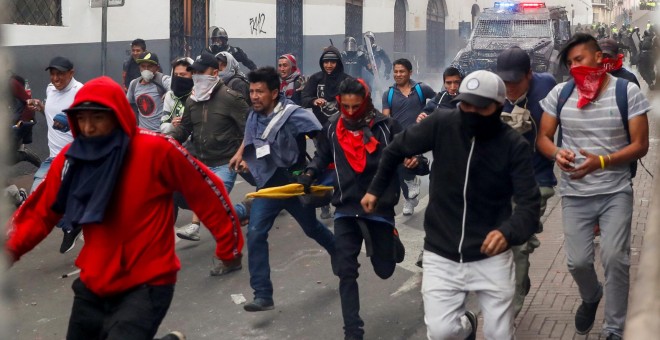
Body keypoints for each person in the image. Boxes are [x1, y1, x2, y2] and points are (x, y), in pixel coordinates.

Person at [5, 76, 243, 340]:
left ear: (117, 116)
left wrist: (228, 246)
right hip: (93, 282)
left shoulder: (157, 150)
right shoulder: (71, 161)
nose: (89, 127)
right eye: (81, 119)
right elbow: (39, 213)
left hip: (147, 281)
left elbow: (206, 192)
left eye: (97, 118)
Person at [362, 70, 540, 340]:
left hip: (490, 257)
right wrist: (375, 190)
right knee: (443, 332)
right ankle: (466, 325)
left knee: (499, 334)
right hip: (441, 251)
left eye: (479, 107)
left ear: (497, 106)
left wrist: (508, 232)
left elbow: (529, 205)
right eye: (466, 104)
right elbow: (395, 149)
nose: (469, 111)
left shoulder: (513, 145)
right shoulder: (442, 123)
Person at [537, 33, 650, 340]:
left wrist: (601, 162)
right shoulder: (560, 94)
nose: (574, 67)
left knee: (616, 258)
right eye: (570, 63)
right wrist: (556, 152)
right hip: (574, 194)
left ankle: (614, 328)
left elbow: (640, 146)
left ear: (599, 57)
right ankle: (591, 295)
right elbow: (543, 137)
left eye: (580, 59)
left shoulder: (627, 92)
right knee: (577, 262)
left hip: (615, 191)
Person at [299, 78, 408, 340]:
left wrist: (415, 163)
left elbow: (406, 152)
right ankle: (352, 331)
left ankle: (391, 241)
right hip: (345, 207)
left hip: (379, 208)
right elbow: (322, 155)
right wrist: (311, 172)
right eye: (344, 106)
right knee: (345, 270)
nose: (349, 112)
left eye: (355, 107)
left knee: (385, 270)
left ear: (366, 102)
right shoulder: (331, 128)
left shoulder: (387, 127)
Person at [228, 66, 336, 312]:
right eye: (252, 91)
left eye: (260, 92)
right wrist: (240, 154)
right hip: (268, 186)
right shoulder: (254, 114)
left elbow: (324, 140)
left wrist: (315, 172)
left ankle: (339, 254)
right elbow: (250, 137)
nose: (254, 96)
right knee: (255, 234)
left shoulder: (293, 114)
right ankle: (263, 294)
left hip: (295, 184)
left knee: (312, 229)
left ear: (275, 93)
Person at [170, 52, 250, 268]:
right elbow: (185, 128)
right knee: (185, 199)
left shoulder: (231, 98)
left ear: (215, 73)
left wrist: (242, 154)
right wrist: (167, 139)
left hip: (225, 162)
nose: (196, 76)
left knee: (216, 211)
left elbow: (250, 130)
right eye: (193, 72)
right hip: (200, 163)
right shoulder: (192, 99)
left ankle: (231, 258)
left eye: (200, 72)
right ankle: (242, 211)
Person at [495, 46, 558, 318]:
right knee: (503, 243)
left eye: (515, 81)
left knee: (518, 244)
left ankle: (511, 308)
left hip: (536, 179)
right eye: (504, 82)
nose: (509, 88)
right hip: (500, 181)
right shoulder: (491, 94)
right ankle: (520, 275)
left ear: (530, 75)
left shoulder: (548, 87)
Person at [27, 56, 84, 254]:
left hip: (75, 156)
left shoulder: (81, 92)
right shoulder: (50, 89)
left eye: (60, 73)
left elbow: (91, 125)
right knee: (36, 197)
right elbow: (53, 119)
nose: (55, 78)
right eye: (52, 73)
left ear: (72, 73)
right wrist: (42, 109)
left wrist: (71, 123)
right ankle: (72, 223)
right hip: (54, 156)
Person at [382, 58, 435, 216]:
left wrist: (428, 114)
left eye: (402, 71)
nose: (398, 74)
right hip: (398, 136)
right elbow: (386, 116)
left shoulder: (421, 89)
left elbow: (439, 101)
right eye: (396, 71)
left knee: (406, 161)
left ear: (410, 73)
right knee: (399, 168)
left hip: (418, 135)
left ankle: (412, 182)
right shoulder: (389, 94)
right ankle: (409, 198)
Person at [301, 46, 352, 126]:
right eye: (326, 62)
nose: (329, 65)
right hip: (320, 127)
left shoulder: (347, 80)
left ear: (338, 63)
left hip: (342, 127)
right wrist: (314, 101)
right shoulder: (316, 79)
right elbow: (304, 99)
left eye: (333, 62)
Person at [126, 51, 172, 132]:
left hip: (161, 132)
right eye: (143, 66)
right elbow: (128, 105)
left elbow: (175, 89)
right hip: (143, 132)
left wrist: (168, 94)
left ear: (157, 68)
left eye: (150, 66)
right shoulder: (134, 84)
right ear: (139, 67)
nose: (146, 69)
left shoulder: (163, 80)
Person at [160, 57, 195, 135]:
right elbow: (163, 125)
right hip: (176, 141)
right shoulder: (170, 96)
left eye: (182, 75)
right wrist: (172, 125)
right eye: (176, 75)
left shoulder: (198, 96)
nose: (178, 77)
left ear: (193, 75)